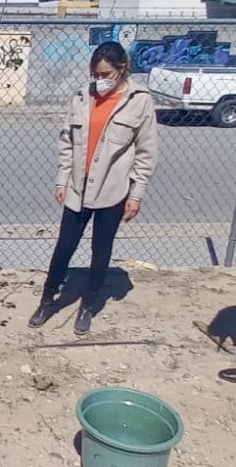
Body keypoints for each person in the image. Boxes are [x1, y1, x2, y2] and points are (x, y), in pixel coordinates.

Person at [28, 40, 158, 335]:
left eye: (105, 74)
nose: (99, 80)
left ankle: (88, 305)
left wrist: (135, 195)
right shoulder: (81, 98)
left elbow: (146, 153)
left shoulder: (140, 101)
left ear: (122, 69)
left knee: (101, 251)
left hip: (113, 191)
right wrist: (62, 180)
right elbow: (67, 142)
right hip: (77, 189)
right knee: (64, 247)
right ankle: (48, 299)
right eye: (95, 74)